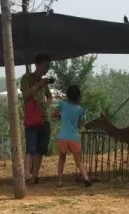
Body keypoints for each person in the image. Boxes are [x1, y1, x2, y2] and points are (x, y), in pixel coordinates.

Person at [20, 53, 53, 184]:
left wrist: (47, 104)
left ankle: (34, 177)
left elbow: (49, 96)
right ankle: (26, 175)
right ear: (37, 65)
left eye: (48, 66)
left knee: (41, 149)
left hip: (45, 119)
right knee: (30, 148)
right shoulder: (27, 78)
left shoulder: (44, 81)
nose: (47, 68)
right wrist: (39, 84)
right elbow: (25, 95)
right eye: (45, 65)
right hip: (32, 118)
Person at [52, 85, 91, 188]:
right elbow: (80, 123)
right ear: (78, 96)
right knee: (79, 161)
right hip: (75, 137)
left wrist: (61, 116)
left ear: (67, 95)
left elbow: (53, 114)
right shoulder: (80, 109)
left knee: (62, 158)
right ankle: (86, 178)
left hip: (63, 137)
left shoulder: (62, 105)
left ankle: (60, 181)